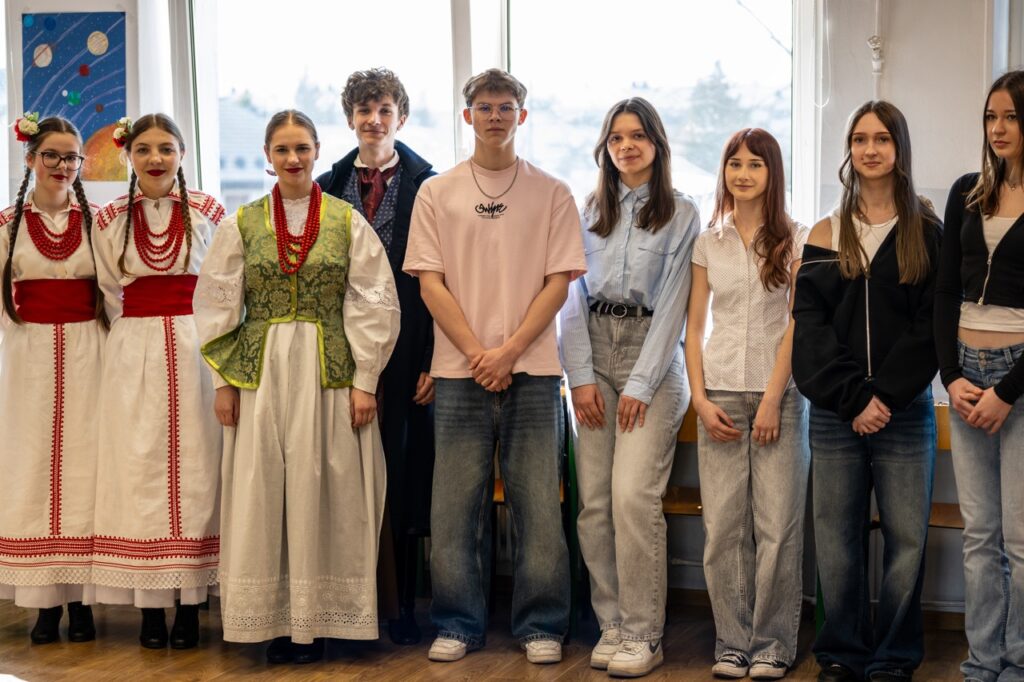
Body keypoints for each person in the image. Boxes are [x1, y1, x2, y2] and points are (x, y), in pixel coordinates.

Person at [195, 109, 399, 664]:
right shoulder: (242, 223)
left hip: (328, 370)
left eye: (302, 148)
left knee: (327, 485)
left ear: (316, 152)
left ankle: (321, 621)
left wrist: (365, 380)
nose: (293, 158)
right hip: (261, 375)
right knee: (264, 487)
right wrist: (222, 382)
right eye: (282, 149)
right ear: (267, 156)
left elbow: (374, 300)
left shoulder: (345, 220)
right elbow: (215, 301)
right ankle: (275, 621)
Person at [404, 68, 586, 665]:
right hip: (458, 374)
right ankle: (458, 623)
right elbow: (430, 284)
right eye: (484, 107)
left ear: (521, 116)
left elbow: (558, 284)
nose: (495, 116)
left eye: (506, 107)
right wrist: (479, 354)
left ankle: (542, 625)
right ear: (468, 116)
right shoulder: (437, 192)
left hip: (534, 370)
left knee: (539, 508)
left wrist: (507, 352)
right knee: (454, 509)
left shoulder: (552, 192)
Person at [792, 101, 942, 682]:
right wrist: (854, 399)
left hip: (905, 414)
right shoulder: (825, 233)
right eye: (859, 139)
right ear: (849, 150)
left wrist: (887, 397)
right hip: (837, 415)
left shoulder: (927, 233)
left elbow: (930, 328)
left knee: (907, 541)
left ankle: (895, 657)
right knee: (836, 540)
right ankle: (841, 653)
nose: (870, 149)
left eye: (882, 138)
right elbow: (810, 330)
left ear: (899, 148)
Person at [558, 97, 698, 678]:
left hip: (653, 359)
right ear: (605, 148)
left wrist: (641, 383)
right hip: (593, 354)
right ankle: (612, 623)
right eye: (616, 138)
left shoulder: (682, 212)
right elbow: (569, 297)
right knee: (594, 502)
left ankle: (644, 633)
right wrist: (579, 377)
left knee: (632, 497)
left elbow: (676, 306)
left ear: (657, 145)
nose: (626, 146)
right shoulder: (587, 210)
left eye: (637, 136)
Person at [89, 114, 224, 650]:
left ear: (182, 154)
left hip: (195, 345)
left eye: (166, 148)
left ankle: (190, 605)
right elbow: (108, 289)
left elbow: (222, 285)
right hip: (134, 348)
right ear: (129, 156)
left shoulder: (209, 211)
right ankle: (149, 606)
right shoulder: (110, 218)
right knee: (140, 467)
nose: (155, 159)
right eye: (143, 149)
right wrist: (134, 338)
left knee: (197, 467)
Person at [316, 68, 436, 645]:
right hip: (340, 345)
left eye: (384, 109)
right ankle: (343, 605)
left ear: (400, 117)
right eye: (364, 110)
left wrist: (434, 358)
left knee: (403, 473)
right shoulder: (327, 183)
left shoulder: (429, 186)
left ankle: (404, 607)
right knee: (341, 470)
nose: (374, 120)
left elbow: (443, 280)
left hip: (410, 346)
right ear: (350, 119)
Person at [684, 128, 809, 680]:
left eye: (755, 164)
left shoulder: (797, 237)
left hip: (780, 396)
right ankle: (731, 642)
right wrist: (699, 399)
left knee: (777, 527)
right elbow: (694, 328)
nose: (743, 173)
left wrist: (774, 399)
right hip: (720, 394)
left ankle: (773, 644)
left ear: (772, 173)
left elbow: (798, 324)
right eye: (734, 163)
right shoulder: (708, 242)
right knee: (724, 529)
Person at [0, 114, 103, 644]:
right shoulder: (7, 224)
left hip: (89, 351)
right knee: (35, 468)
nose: (62, 166)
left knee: (85, 467)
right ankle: (44, 604)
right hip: (30, 354)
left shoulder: (98, 222)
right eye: (52, 156)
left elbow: (116, 287)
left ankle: (82, 602)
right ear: (30, 159)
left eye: (71, 158)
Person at [935, 69, 1024, 682]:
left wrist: (1008, 393)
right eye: (991, 116)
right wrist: (950, 375)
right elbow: (945, 292)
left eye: (1012, 116)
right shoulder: (966, 191)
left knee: (1019, 540)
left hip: (1019, 379)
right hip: (966, 373)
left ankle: (1016, 664)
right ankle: (980, 663)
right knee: (980, 536)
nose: (998, 127)